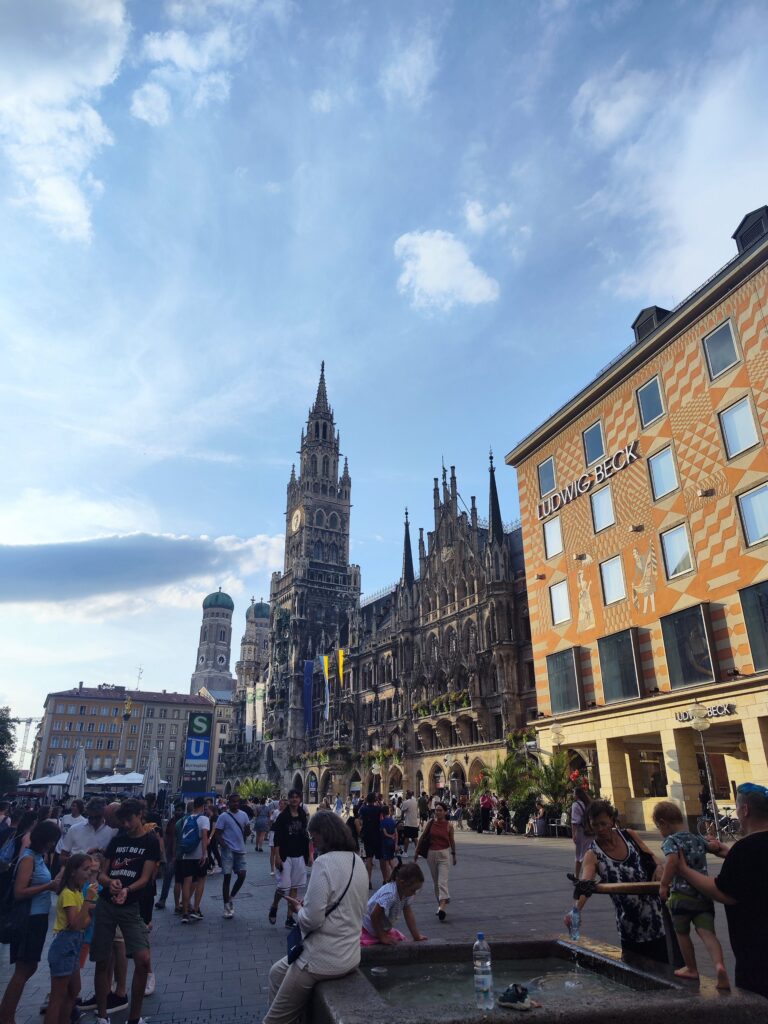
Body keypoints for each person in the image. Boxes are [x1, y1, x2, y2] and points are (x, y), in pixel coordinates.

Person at [263, 810, 368, 1024]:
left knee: (273, 1021)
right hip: (350, 954)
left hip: (321, 958)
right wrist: (309, 906)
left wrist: (298, 910)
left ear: (325, 834)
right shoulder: (358, 861)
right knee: (276, 973)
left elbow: (312, 920)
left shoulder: (324, 862)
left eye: (314, 837)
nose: (313, 842)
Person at [675, 781, 768, 999]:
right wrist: (729, 855)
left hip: (758, 956)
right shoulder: (742, 851)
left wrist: (684, 870)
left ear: (745, 810)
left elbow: (724, 892)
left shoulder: (744, 850)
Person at [565, 799, 667, 964]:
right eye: (595, 825)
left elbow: (651, 856)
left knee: (667, 969)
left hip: (658, 920)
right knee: (636, 973)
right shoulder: (593, 854)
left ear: (612, 820)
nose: (600, 829)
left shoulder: (629, 835)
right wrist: (575, 911)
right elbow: (585, 884)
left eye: (603, 823)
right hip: (630, 929)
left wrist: (660, 867)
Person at [91, 798, 160, 1024]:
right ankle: (102, 1016)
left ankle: (134, 1018)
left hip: (131, 906)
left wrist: (127, 890)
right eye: (123, 821)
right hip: (106, 905)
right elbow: (102, 874)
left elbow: (145, 878)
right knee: (102, 960)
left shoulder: (150, 842)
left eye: (129, 820)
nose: (126, 825)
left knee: (142, 958)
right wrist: (109, 882)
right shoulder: (117, 840)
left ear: (140, 815)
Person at [652, 800, 729, 989]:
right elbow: (714, 848)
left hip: (681, 897)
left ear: (663, 823)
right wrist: (714, 843)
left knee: (682, 934)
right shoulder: (696, 838)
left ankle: (692, 968)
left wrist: (663, 884)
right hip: (703, 895)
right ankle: (719, 966)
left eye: (658, 827)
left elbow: (672, 862)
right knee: (708, 934)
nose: (660, 831)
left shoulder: (671, 841)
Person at [0, 821, 61, 1024]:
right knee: (24, 968)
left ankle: (6, 1012)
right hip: (29, 918)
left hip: (38, 917)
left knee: (29, 966)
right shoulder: (28, 858)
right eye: (53, 840)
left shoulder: (37, 857)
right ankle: (6, 1016)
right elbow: (19, 892)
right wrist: (47, 886)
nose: (53, 844)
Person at [43, 853, 98, 1024]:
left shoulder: (77, 892)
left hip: (73, 945)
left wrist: (86, 910)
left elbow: (85, 922)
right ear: (73, 871)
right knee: (58, 995)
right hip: (64, 946)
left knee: (74, 989)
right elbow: (76, 923)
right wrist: (88, 901)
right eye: (85, 869)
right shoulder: (68, 894)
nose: (89, 873)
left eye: (91, 869)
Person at [269, 790, 310, 928]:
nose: (294, 799)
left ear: (300, 799)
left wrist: (309, 854)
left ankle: (289, 917)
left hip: (299, 855)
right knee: (282, 887)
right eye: (292, 797)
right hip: (285, 855)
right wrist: (277, 856)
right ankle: (274, 905)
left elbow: (305, 835)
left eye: (296, 797)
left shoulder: (302, 814)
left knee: (294, 887)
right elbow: (277, 838)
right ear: (288, 799)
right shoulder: (283, 816)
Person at [361, 862, 427, 945]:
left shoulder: (406, 893)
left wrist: (416, 936)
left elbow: (408, 914)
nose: (414, 893)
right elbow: (374, 915)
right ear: (402, 883)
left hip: (381, 927)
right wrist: (382, 937)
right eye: (413, 890)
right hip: (368, 927)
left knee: (399, 941)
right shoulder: (390, 895)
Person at [415, 801, 456, 921]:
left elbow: (452, 841)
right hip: (431, 854)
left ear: (445, 812)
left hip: (444, 855)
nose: (437, 812)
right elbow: (422, 837)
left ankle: (442, 907)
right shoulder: (431, 823)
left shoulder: (449, 826)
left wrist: (454, 855)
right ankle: (440, 904)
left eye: (440, 810)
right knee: (436, 882)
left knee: (442, 881)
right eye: (436, 810)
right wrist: (417, 852)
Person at [216, 792, 251, 919]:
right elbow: (217, 832)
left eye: (237, 801)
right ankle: (226, 906)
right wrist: (223, 844)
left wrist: (248, 830)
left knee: (242, 875)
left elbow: (247, 832)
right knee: (227, 877)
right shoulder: (223, 816)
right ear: (229, 803)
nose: (236, 803)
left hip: (240, 849)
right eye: (233, 801)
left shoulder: (244, 815)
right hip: (228, 850)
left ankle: (231, 897)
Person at [59, 798, 116, 863]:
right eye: (90, 817)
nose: (93, 820)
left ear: (104, 815)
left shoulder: (112, 830)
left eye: (97, 817)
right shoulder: (74, 829)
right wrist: (78, 861)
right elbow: (62, 857)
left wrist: (102, 853)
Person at [180, 796, 209, 923]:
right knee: (201, 881)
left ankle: (185, 912)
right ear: (202, 806)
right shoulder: (204, 819)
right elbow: (204, 836)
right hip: (199, 855)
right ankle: (196, 909)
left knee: (187, 882)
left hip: (187, 855)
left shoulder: (187, 819)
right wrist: (204, 854)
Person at [155, 803, 184, 910]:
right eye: (176, 810)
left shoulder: (185, 821)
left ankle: (183, 902)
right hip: (171, 854)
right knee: (167, 877)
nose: (177, 812)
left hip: (181, 854)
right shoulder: (171, 821)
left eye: (179, 810)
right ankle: (163, 899)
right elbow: (167, 836)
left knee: (181, 880)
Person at [358, 793, 386, 889]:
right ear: (375, 800)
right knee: (381, 858)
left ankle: (369, 881)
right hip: (377, 835)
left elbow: (359, 815)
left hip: (367, 835)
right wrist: (379, 802)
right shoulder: (378, 809)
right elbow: (384, 810)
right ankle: (385, 879)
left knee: (369, 858)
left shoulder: (363, 809)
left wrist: (364, 802)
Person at [571, 787, 592, 878]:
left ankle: (576, 876)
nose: (573, 795)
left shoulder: (576, 805)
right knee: (591, 852)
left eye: (573, 794)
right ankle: (591, 875)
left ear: (577, 795)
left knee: (579, 854)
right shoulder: (589, 803)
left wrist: (573, 834)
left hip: (582, 832)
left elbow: (575, 821)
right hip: (592, 831)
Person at [268, 798, 286, 877]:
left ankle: (279, 868)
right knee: (273, 851)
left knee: (281, 851)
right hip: (274, 832)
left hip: (283, 834)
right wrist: (271, 829)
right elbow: (270, 821)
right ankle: (272, 869)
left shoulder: (288, 813)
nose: (282, 805)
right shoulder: (276, 812)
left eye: (284, 804)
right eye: (281, 804)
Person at [380, 804, 398, 881]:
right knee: (391, 860)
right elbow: (396, 833)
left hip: (385, 843)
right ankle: (396, 875)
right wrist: (396, 843)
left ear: (382, 813)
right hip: (392, 843)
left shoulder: (382, 822)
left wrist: (390, 836)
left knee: (386, 862)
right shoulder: (392, 821)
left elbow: (384, 833)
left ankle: (388, 878)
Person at [400, 790, 419, 857]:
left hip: (408, 822)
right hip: (414, 822)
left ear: (408, 795)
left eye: (406, 794)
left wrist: (402, 818)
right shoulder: (415, 801)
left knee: (406, 837)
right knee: (415, 838)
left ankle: (405, 853)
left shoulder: (406, 802)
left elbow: (402, 811)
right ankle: (418, 852)